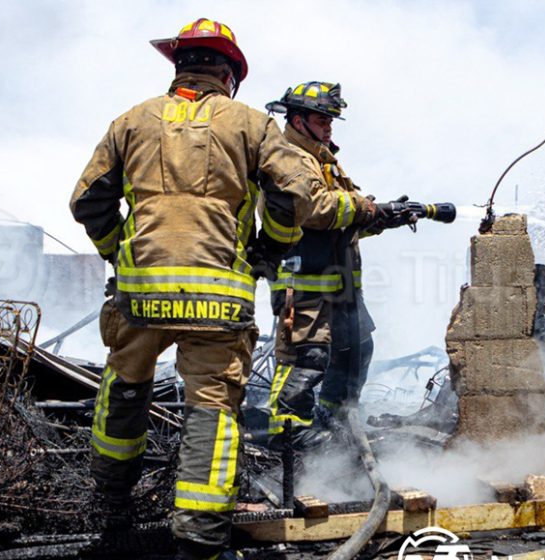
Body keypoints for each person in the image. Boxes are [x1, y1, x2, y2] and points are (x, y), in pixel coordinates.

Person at [70, 18, 319, 559]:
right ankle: (200, 539)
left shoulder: (130, 121)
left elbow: (87, 201)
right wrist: (268, 249)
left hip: (140, 293)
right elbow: (295, 193)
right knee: (211, 407)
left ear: (179, 67)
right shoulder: (252, 124)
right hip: (219, 299)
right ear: (229, 75)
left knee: (125, 386)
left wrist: (119, 250)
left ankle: (111, 505)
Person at [263, 81, 415, 451]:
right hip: (305, 282)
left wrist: (383, 218)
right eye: (322, 120)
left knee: (356, 348)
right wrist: (368, 208)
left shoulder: (322, 160)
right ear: (297, 120)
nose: (329, 127)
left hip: (341, 283)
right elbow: (314, 209)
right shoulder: (289, 158)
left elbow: (341, 222)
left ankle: (334, 420)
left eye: (331, 120)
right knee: (306, 357)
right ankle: (289, 432)